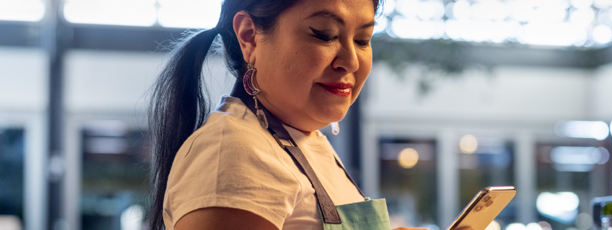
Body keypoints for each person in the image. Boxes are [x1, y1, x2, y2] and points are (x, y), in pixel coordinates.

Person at [147, 0, 430, 229]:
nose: (351, 61)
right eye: (325, 34)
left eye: (363, 39)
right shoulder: (235, 150)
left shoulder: (304, 142)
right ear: (249, 37)